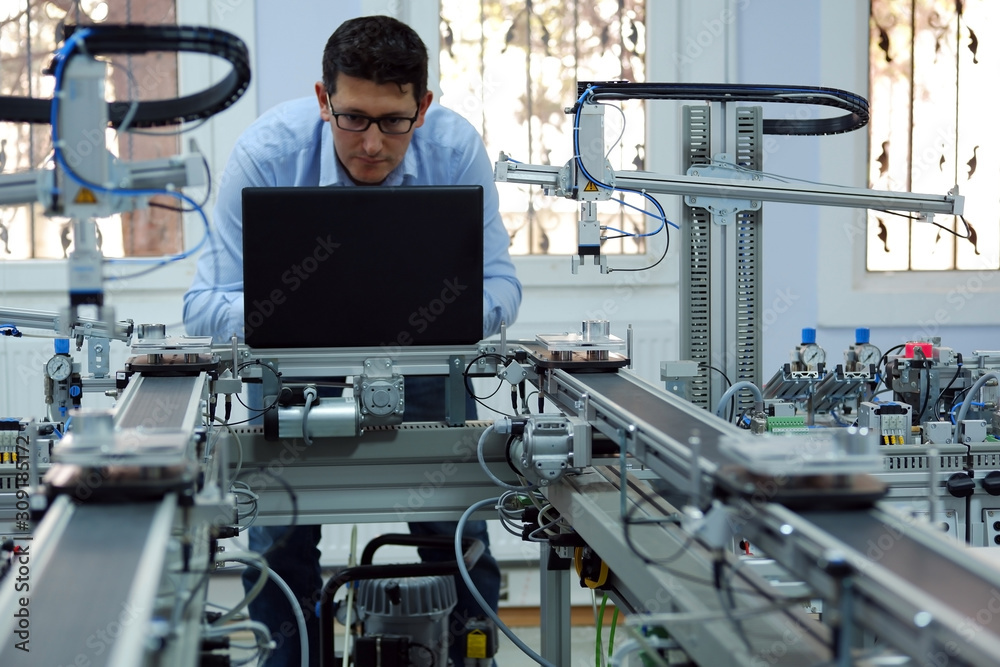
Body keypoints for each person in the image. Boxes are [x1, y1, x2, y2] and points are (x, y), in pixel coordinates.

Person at [183, 15, 521, 667]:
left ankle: (467, 657)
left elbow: (502, 286)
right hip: (291, 369)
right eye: (353, 118)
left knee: (461, 538)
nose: (372, 144)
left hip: (424, 364)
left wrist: (423, 317)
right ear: (322, 100)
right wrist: (307, 314)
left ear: (423, 107)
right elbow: (202, 303)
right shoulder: (266, 153)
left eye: (394, 121)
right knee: (279, 546)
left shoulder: (455, 148)